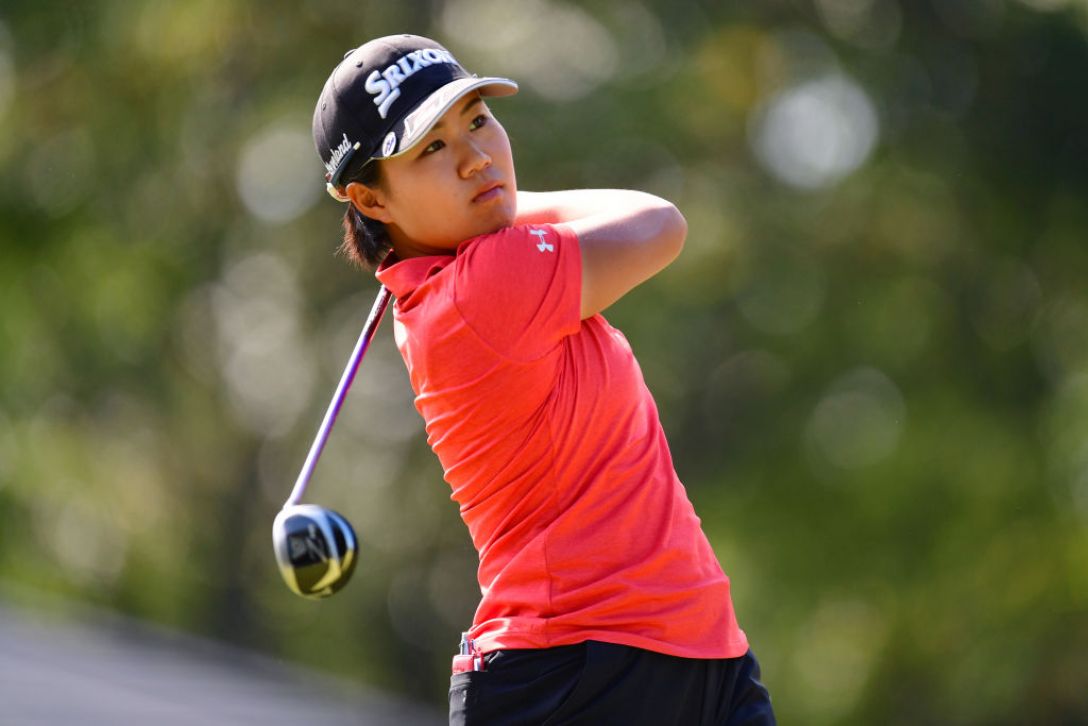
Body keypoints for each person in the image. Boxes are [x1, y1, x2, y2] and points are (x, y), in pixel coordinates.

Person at [311, 33, 775, 725]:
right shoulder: (485, 286)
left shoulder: (456, 284)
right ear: (370, 201)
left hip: (698, 651)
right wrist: (499, 198)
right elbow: (659, 223)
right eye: (431, 148)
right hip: (577, 673)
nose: (474, 157)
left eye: (476, 121)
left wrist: (480, 200)